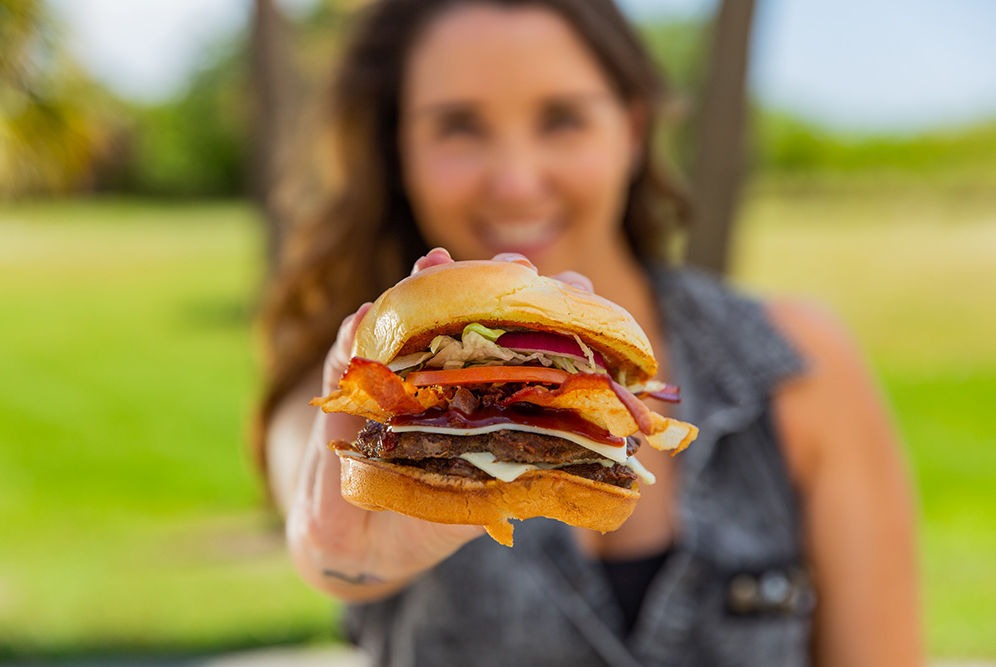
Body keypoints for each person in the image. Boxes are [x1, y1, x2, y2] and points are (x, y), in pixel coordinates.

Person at [256, 0, 921, 664]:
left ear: (631, 130)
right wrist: (348, 550)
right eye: (459, 126)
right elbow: (325, 534)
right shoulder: (348, 381)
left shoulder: (797, 363)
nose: (516, 183)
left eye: (562, 119)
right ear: (397, 149)